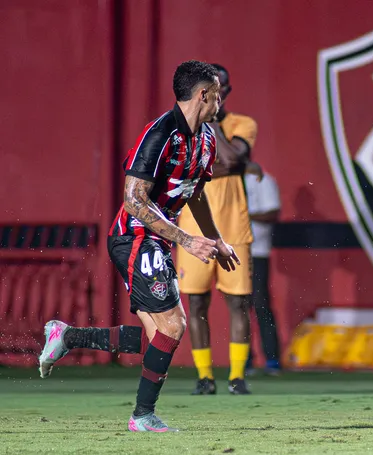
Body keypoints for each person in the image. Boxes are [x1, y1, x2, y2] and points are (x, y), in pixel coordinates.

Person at [38, 60, 238, 432]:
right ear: (203, 94)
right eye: (218, 93)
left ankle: (67, 336)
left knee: (158, 341)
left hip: (159, 240)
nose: (222, 99)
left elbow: (193, 194)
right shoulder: (159, 135)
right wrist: (187, 240)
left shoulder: (207, 139)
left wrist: (216, 239)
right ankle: (142, 416)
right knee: (175, 326)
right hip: (134, 237)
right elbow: (133, 200)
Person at [176, 63, 263, 395]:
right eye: (212, 89)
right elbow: (208, 165)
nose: (218, 94)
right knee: (196, 302)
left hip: (233, 226)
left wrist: (210, 122)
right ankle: (204, 376)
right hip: (193, 228)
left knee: (238, 302)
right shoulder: (181, 127)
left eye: (222, 88)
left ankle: (238, 376)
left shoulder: (242, 124)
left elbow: (236, 160)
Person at [243, 172, 282, 375]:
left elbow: (272, 213)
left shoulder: (261, 179)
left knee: (260, 303)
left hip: (257, 252)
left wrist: (242, 214)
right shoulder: (222, 181)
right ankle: (244, 360)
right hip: (232, 251)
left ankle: (272, 360)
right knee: (239, 306)